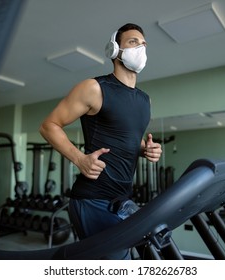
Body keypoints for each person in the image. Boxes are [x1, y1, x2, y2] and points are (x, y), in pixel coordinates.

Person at [39, 23, 162, 259]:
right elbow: (49, 126)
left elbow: (124, 140)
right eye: (133, 42)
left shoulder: (145, 101)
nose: (141, 48)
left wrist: (144, 150)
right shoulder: (94, 88)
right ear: (115, 50)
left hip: (122, 197)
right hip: (92, 198)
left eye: (144, 44)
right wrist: (79, 159)